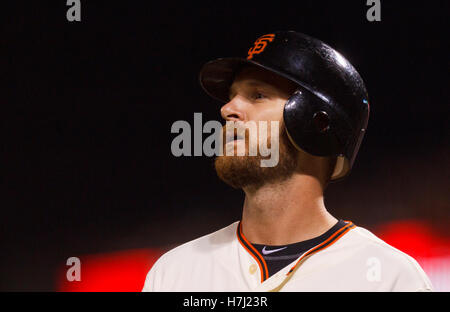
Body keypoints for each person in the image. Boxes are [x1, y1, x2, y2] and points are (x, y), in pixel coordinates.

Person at [142, 31, 432, 292]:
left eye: (258, 95)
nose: (227, 109)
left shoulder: (391, 279)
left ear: (317, 123)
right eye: (231, 97)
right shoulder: (174, 274)